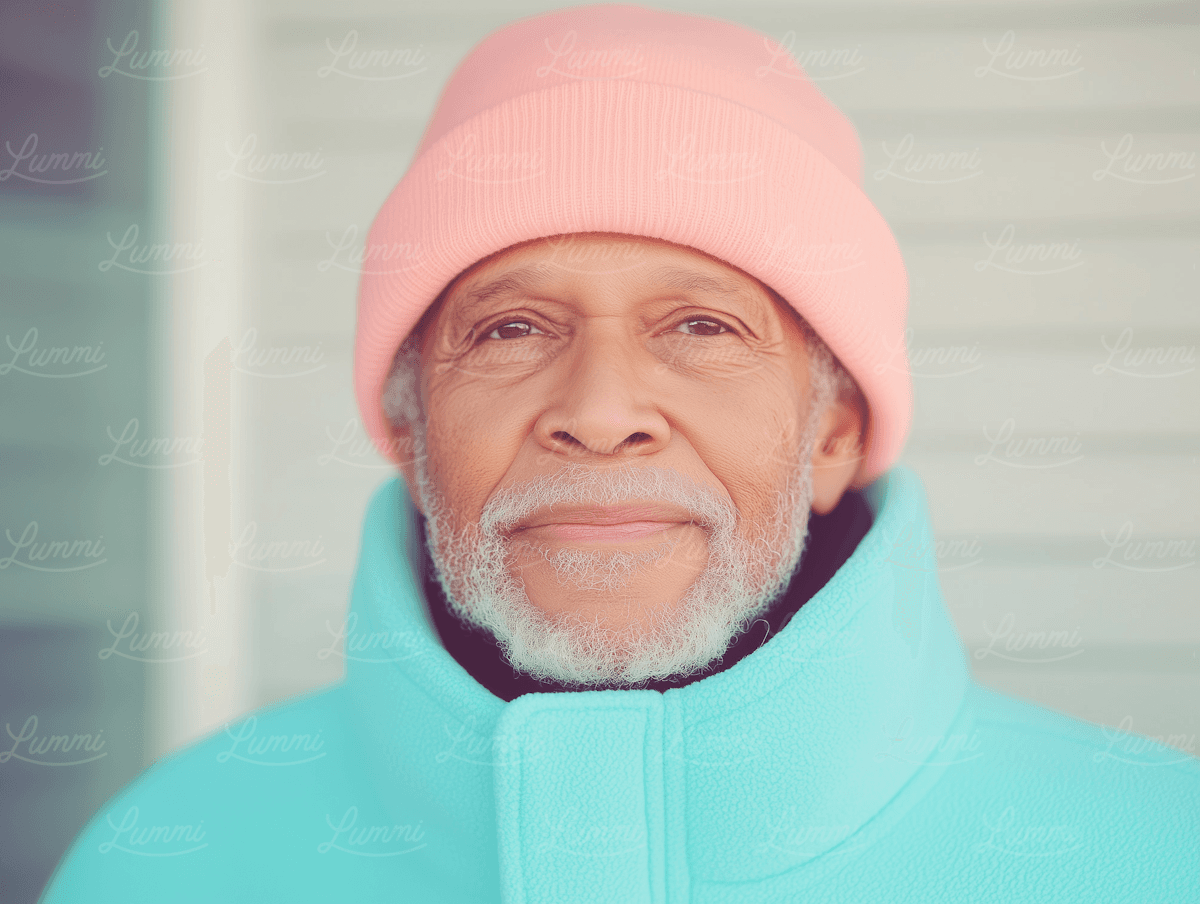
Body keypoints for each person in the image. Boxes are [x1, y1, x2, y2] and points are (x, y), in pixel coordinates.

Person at [40, 5, 1199, 902]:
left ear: (834, 430)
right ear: (409, 428)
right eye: (509, 329)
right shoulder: (169, 855)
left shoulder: (1156, 851)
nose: (598, 412)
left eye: (701, 325)